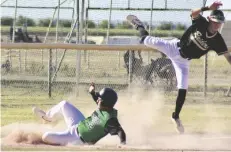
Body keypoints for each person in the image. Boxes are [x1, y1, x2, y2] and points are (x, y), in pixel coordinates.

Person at [126, 1, 231, 134]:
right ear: (210, 19)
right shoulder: (201, 23)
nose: (217, 25)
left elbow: (228, 57)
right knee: (145, 40)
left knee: (183, 88)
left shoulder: (218, 41)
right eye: (215, 21)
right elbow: (193, 13)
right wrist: (207, 8)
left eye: (220, 23)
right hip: (173, 47)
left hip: (183, 62)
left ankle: (175, 116)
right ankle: (138, 24)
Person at [32, 83, 126, 145]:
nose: (97, 99)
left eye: (100, 99)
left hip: (77, 139)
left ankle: (61, 141)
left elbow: (120, 131)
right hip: (78, 123)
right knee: (64, 104)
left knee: (46, 136)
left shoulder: (110, 119)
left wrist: (123, 145)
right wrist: (92, 92)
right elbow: (96, 98)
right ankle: (48, 118)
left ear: (105, 102)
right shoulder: (105, 106)